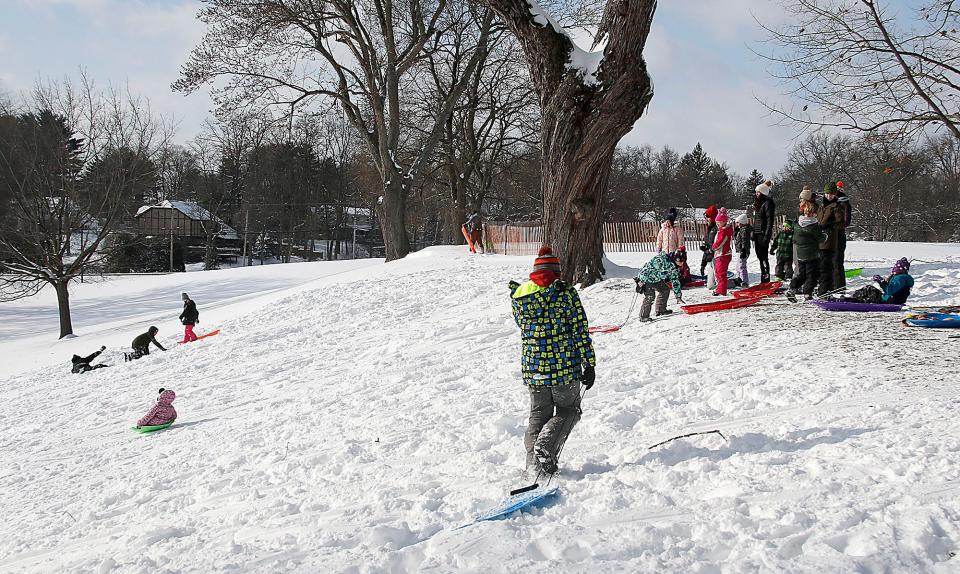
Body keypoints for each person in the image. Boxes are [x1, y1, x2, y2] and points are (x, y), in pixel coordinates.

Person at [509, 245, 596, 477]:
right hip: (563, 367)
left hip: (533, 368)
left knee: (538, 414)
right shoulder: (565, 293)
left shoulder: (520, 296)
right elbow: (579, 329)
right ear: (557, 272)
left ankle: (534, 465)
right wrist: (589, 363)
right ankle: (546, 447)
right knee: (569, 410)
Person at [786, 203, 826, 302]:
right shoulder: (813, 226)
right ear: (813, 213)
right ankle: (807, 294)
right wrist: (825, 235)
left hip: (800, 255)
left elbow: (795, 238)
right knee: (812, 276)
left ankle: (792, 288)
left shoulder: (797, 224)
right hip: (811, 255)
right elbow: (821, 239)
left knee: (802, 275)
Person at [634, 250, 686, 322]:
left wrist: (678, 296)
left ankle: (660, 310)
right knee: (650, 296)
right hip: (646, 278)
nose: (682, 264)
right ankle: (643, 316)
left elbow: (675, 281)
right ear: (676, 259)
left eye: (683, 261)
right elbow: (649, 270)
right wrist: (641, 281)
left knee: (665, 290)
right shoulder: (661, 260)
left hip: (656, 279)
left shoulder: (674, 266)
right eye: (681, 261)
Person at [844, 258, 915, 305]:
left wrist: (881, 282)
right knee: (870, 292)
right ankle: (853, 299)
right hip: (891, 299)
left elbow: (889, 290)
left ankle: (851, 300)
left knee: (869, 289)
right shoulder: (901, 277)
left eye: (896, 267)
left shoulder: (901, 278)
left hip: (890, 301)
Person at [817, 182, 845, 296]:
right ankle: (825, 287)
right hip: (822, 239)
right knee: (823, 264)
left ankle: (839, 288)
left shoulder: (837, 206)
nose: (829, 196)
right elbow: (818, 220)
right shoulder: (821, 206)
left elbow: (841, 223)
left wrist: (830, 225)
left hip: (835, 239)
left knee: (835, 263)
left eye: (831, 194)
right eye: (827, 193)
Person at [752, 180, 776, 283]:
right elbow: (756, 219)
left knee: (763, 256)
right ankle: (763, 276)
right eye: (756, 192)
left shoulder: (768, 203)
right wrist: (753, 232)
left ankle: (766, 277)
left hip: (763, 233)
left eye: (758, 192)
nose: (756, 194)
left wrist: (767, 235)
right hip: (757, 233)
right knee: (759, 256)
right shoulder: (758, 204)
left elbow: (770, 221)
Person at [712, 208, 734, 296]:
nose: (717, 223)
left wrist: (713, 247)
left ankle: (721, 290)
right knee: (719, 272)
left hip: (723, 254)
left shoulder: (724, 231)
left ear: (724, 221)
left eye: (719, 222)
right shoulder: (722, 230)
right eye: (717, 222)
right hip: (721, 254)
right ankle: (720, 289)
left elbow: (720, 242)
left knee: (720, 273)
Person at [835, 181, 852, 290]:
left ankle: (839, 286)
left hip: (839, 235)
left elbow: (846, 221)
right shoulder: (831, 202)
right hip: (832, 236)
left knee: (837, 262)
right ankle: (835, 284)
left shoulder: (844, 202)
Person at [700, 205, 719, 281]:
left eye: (708, 217)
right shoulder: (709, 229)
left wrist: (709, 250)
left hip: (717, 257)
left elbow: (716, 246)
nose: (706, 220)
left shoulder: (717, 229)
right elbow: (708, 247)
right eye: (706, 217)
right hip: (711, 258)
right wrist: (703, 265)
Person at [734, 213, 753, 287]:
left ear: (742, 222)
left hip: (743, 251)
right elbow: (738, 239)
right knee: (738, 266)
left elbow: (744, 240)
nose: (737, 224)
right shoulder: (741, 229)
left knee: (742, 266)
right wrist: (736, 232)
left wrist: (743, 250)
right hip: (740, 250)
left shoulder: (744, 230)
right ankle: (739, 279)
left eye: (738, 222)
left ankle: (745, 281)